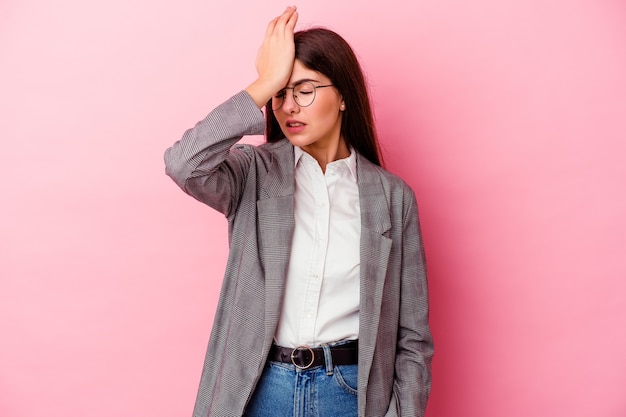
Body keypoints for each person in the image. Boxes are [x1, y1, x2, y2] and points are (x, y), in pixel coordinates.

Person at [165, 6, 433, 417]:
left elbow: (412, 339)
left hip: (348, 394)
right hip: (260, 388)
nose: (289, 105)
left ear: (343, 95)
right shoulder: (253, 173)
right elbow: (184, 163)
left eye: (304, 90)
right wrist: (262, 82)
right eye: (281, 93)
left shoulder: (392, 198)